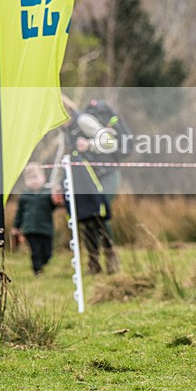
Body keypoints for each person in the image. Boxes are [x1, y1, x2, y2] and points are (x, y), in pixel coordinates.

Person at [60, 98, 121, 275]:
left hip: (106, 175)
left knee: (98, 214)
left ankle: (111, 257)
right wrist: (56, 184)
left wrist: (90, 145)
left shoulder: (82, 120)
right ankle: (93, 262)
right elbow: (62, 157)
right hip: (86, 179)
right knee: (86, 217)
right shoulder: (64, 130)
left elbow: (110, 141)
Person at [12, 162, 61, 276]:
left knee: (48, 253)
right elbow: (19, 213)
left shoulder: (48, 193)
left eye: (35, 177)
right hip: (30, 228)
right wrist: (16, 227)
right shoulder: (24, 196)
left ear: (43, 178)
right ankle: (37, 271)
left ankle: (42, 264)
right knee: (36, 251)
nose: (33, 181)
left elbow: (55, 205)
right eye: (30, 178)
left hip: (46, 228)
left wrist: (57, 196)